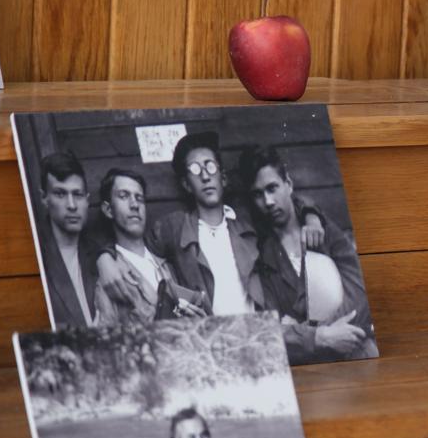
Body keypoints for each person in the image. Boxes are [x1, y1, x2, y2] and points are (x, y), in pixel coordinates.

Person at [97, 132, 326, 320]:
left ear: (223, 178)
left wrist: (311, 215)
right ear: (187, 184)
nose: (205, 176)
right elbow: (132, 241)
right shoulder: (174, 227)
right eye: (195, 170)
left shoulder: (245, 220)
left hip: (257, 332)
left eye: (210, 167)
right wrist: (104, 257)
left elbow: (286, 203)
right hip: (211, 340)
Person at [238, 145, 378, 364]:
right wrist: (320, 338)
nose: (268, 201)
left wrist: (319, 332)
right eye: (258, 194)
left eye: (272, 188)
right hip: (310, 365)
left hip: (356, 349)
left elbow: (360, 290)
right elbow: (275, 326)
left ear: (289, 184)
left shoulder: (323, 229)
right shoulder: (262, 254)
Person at [92, 168, 202, 326]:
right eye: (124, 196)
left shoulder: (168, 264)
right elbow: (106, 336)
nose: (134, 205)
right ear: (109, 210)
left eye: (139, 198)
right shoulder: (111, 277)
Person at [37, 151, 100, 328]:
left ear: (87, 200)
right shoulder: (36, 254)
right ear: (44, 198)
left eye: (77, 194)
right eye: (60, 194)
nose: (72, 205)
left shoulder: (98, 253)